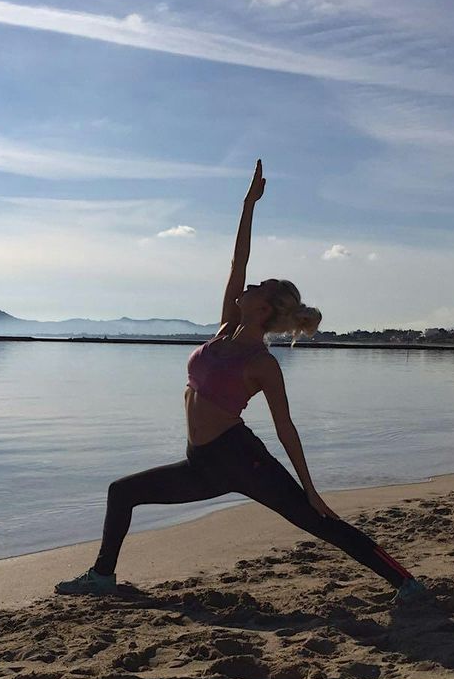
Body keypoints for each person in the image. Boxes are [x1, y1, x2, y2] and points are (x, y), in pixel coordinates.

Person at [56, 159, 426, 604]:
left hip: (241, 459)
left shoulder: (261, 363)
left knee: (317, 521)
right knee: (122, 492)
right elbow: (239, 260)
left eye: (256, 288)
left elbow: (285, 427)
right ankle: (102, 577)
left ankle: (406, 582)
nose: (246, 287)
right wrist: (248, 205)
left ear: (264, 309)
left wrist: (310, 488)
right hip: (201, 462)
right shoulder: (225, 329)